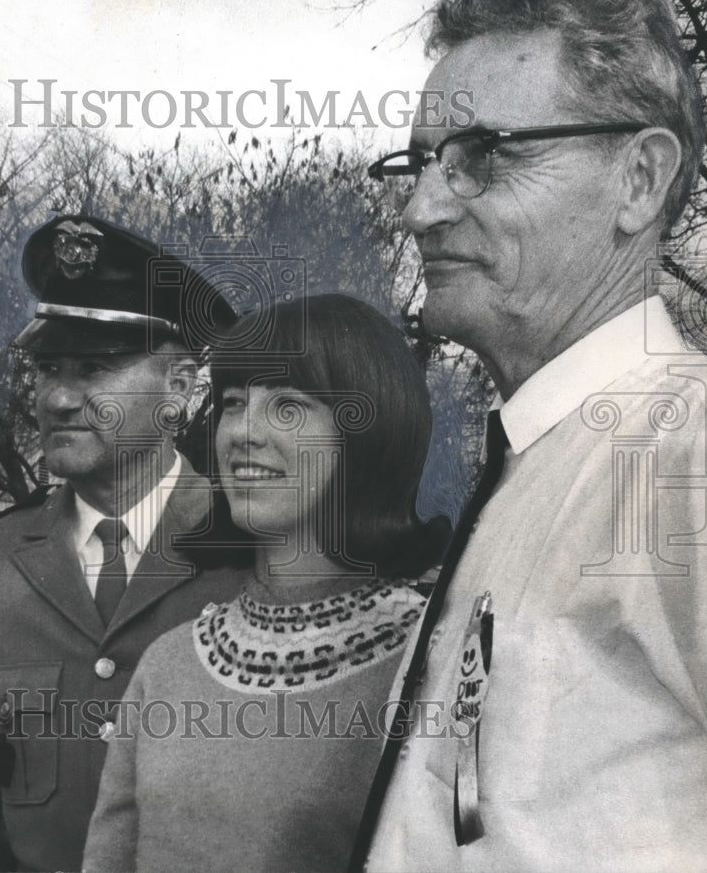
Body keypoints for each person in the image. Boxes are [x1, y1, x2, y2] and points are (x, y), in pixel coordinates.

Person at [357, 0, 707, 872]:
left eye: (485, 157)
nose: (421, 210)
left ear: (639, 178)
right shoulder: (539, 457)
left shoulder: (691, 450)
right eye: (422, 163)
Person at [0, 215, 251, 872]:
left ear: (181, 388)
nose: (60, 397)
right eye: (48, 368)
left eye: (95, 369)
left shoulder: (257, 552)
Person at [83, 293, 451, 873]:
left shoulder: (430, 662)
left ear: (366, 431)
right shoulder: (168, 662)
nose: (243, 433)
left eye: (287, 405)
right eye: (233, 403)